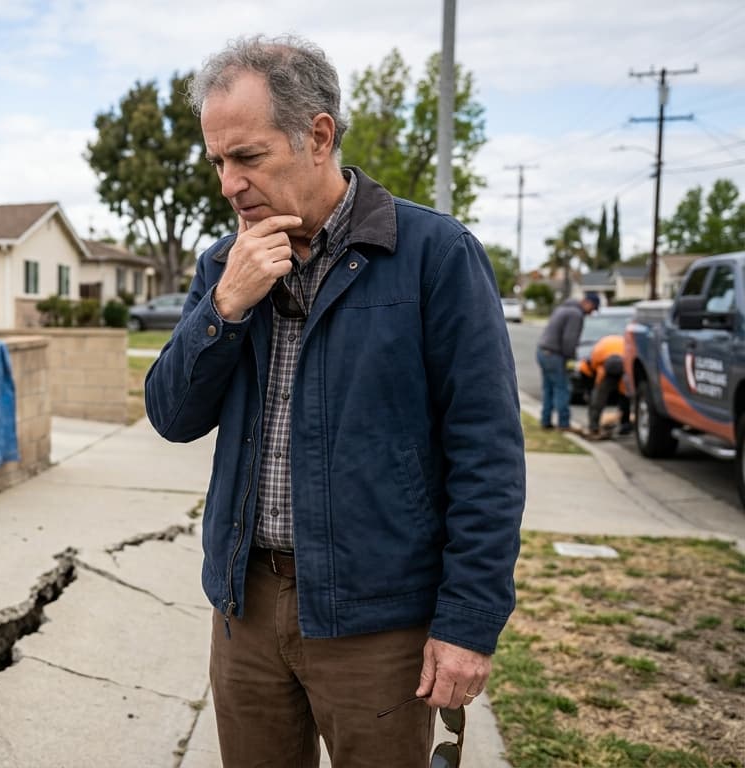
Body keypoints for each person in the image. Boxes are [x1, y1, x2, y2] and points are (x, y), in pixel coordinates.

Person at [144, 34, 525, 767]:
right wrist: (224, 307)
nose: (228, 183)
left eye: (247, 157)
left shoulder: (432, 254)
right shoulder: (224, 266)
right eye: (218, 161)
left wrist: (469, 622)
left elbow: (487, 455)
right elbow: (172, 414)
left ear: (318, 136)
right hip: (246, 611)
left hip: (376, 623)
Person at [537, 292, 600, 430]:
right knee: (563, 388)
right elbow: (569, 340)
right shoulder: (576, 314)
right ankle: (563, 423)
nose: (591, 313)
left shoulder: (563, 308)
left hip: (543, 351)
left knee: (548, 388)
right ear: (588, 303)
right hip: (555, 355)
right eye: (593, 309)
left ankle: (545, 421)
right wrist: (570, 360)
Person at [578, 334, 632, 438]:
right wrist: (589, 390)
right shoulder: (597, 357)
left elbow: (625, 395)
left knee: (625, 397)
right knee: (599, 397)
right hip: (610, 365)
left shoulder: (627, 358)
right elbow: (590, 370)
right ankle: (594, 426)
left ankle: (625, 425)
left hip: (622, 367)